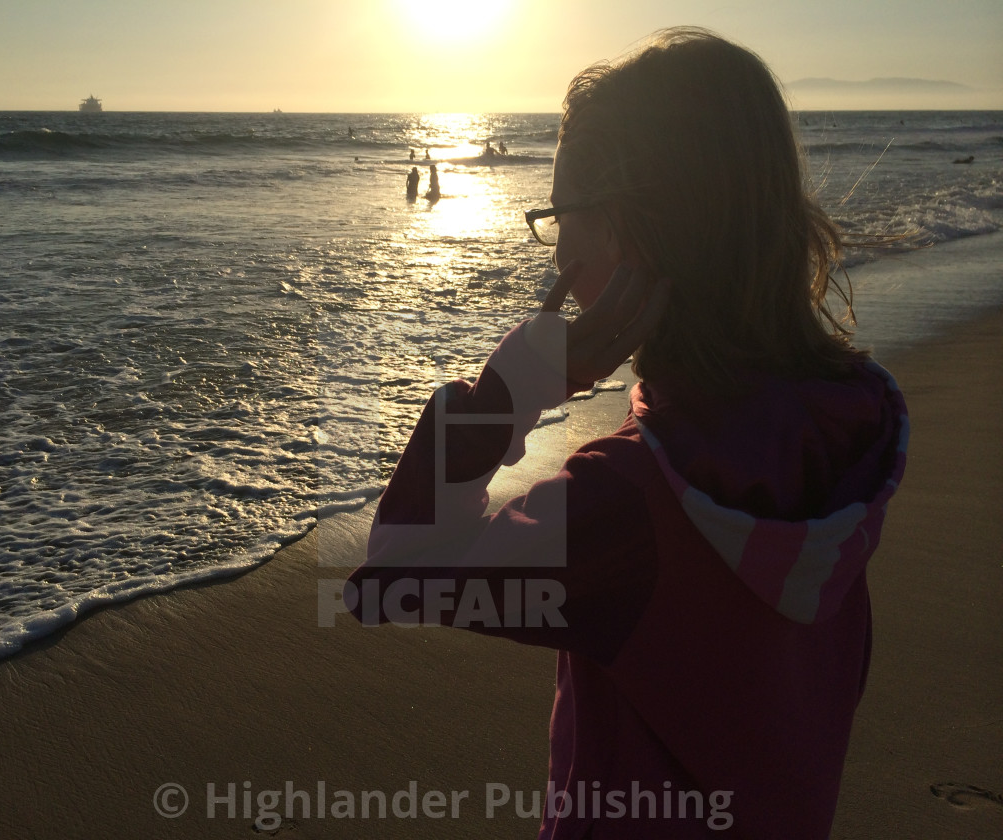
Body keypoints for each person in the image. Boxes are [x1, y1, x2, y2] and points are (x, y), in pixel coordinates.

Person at [347, 27, 908, 839]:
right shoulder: (857, 441)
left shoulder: (627, 503)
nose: (555, 244)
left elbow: (392, 572)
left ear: (619, 229)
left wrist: (513, 391)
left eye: (556, 214)